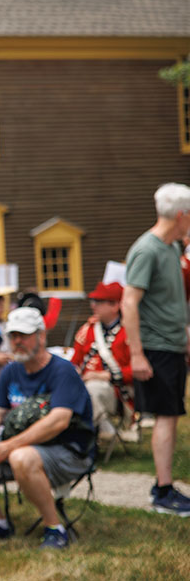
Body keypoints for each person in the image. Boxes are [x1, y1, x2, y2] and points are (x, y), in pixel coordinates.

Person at [0, 307, 94, 550]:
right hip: (20, 450)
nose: (17, 341)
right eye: (13, 335)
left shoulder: (62, 370)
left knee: (21, 457)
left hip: (69, 452)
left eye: (24, 335)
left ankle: (55, 529)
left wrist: (9, 446)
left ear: (41, 336)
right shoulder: (12, 370)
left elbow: (58, 421)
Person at [122, 182, 190, 516]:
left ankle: (164, 485)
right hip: (156, 346)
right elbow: (129, 302)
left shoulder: (171, 248)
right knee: (165, 416)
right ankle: (163, 491)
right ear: (180, 215)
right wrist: (136, 354)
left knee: (171, 415)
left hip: (173, 343)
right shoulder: (146, 249)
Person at [71, 281, 137, 445]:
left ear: (115, 306)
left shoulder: (129, 331)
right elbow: (76, 361)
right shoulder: (87, 329)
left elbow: (138, 370)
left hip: (117, 392)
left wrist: (104, 375)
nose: (94, 306)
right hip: (85, 385)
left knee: (92, 390)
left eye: (99, 302)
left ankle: (85, 439)